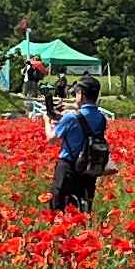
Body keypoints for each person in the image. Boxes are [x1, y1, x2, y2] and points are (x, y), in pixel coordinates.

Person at [49, 78, 112, 213]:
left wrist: (46, 121)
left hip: (68, 169)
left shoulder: (71, 118)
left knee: (60, 209)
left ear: (82, 94)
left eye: (76, 93)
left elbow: (52, 139)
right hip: (89, 169)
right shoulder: (101, 118)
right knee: (82, 210)